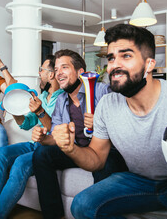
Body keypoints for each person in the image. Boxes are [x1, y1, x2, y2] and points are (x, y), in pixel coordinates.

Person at [50, 24, 167, 219]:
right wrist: (70, 149)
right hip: (140, 182)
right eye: (111, 58)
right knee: (82, 205)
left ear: (149, 64)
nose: (114, 65)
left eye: (126, 56)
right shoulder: (107, 105)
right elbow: (97, 159)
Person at [31, 49, 128, 219]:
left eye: (64, 67)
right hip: (78, 150)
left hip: (106, 151)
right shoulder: (61, 100)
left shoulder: (103, 91)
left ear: (80, 72)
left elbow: (125, 123)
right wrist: (43, 138)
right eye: (56, 69)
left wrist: (101, 123)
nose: (58, 73)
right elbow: (56, 137)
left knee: (105, 164)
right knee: (41, 153)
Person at [0, 55, 64, 219]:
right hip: (34, 144)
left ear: (51, 74)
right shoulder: (41, 97)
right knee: (0, 153)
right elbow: (26, 124)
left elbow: (52, 129)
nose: (39, 73)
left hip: (49, 148)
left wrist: (40, 112)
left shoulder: (62, 98)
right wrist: (15, 110)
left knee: (20, 163)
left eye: (41, 70)